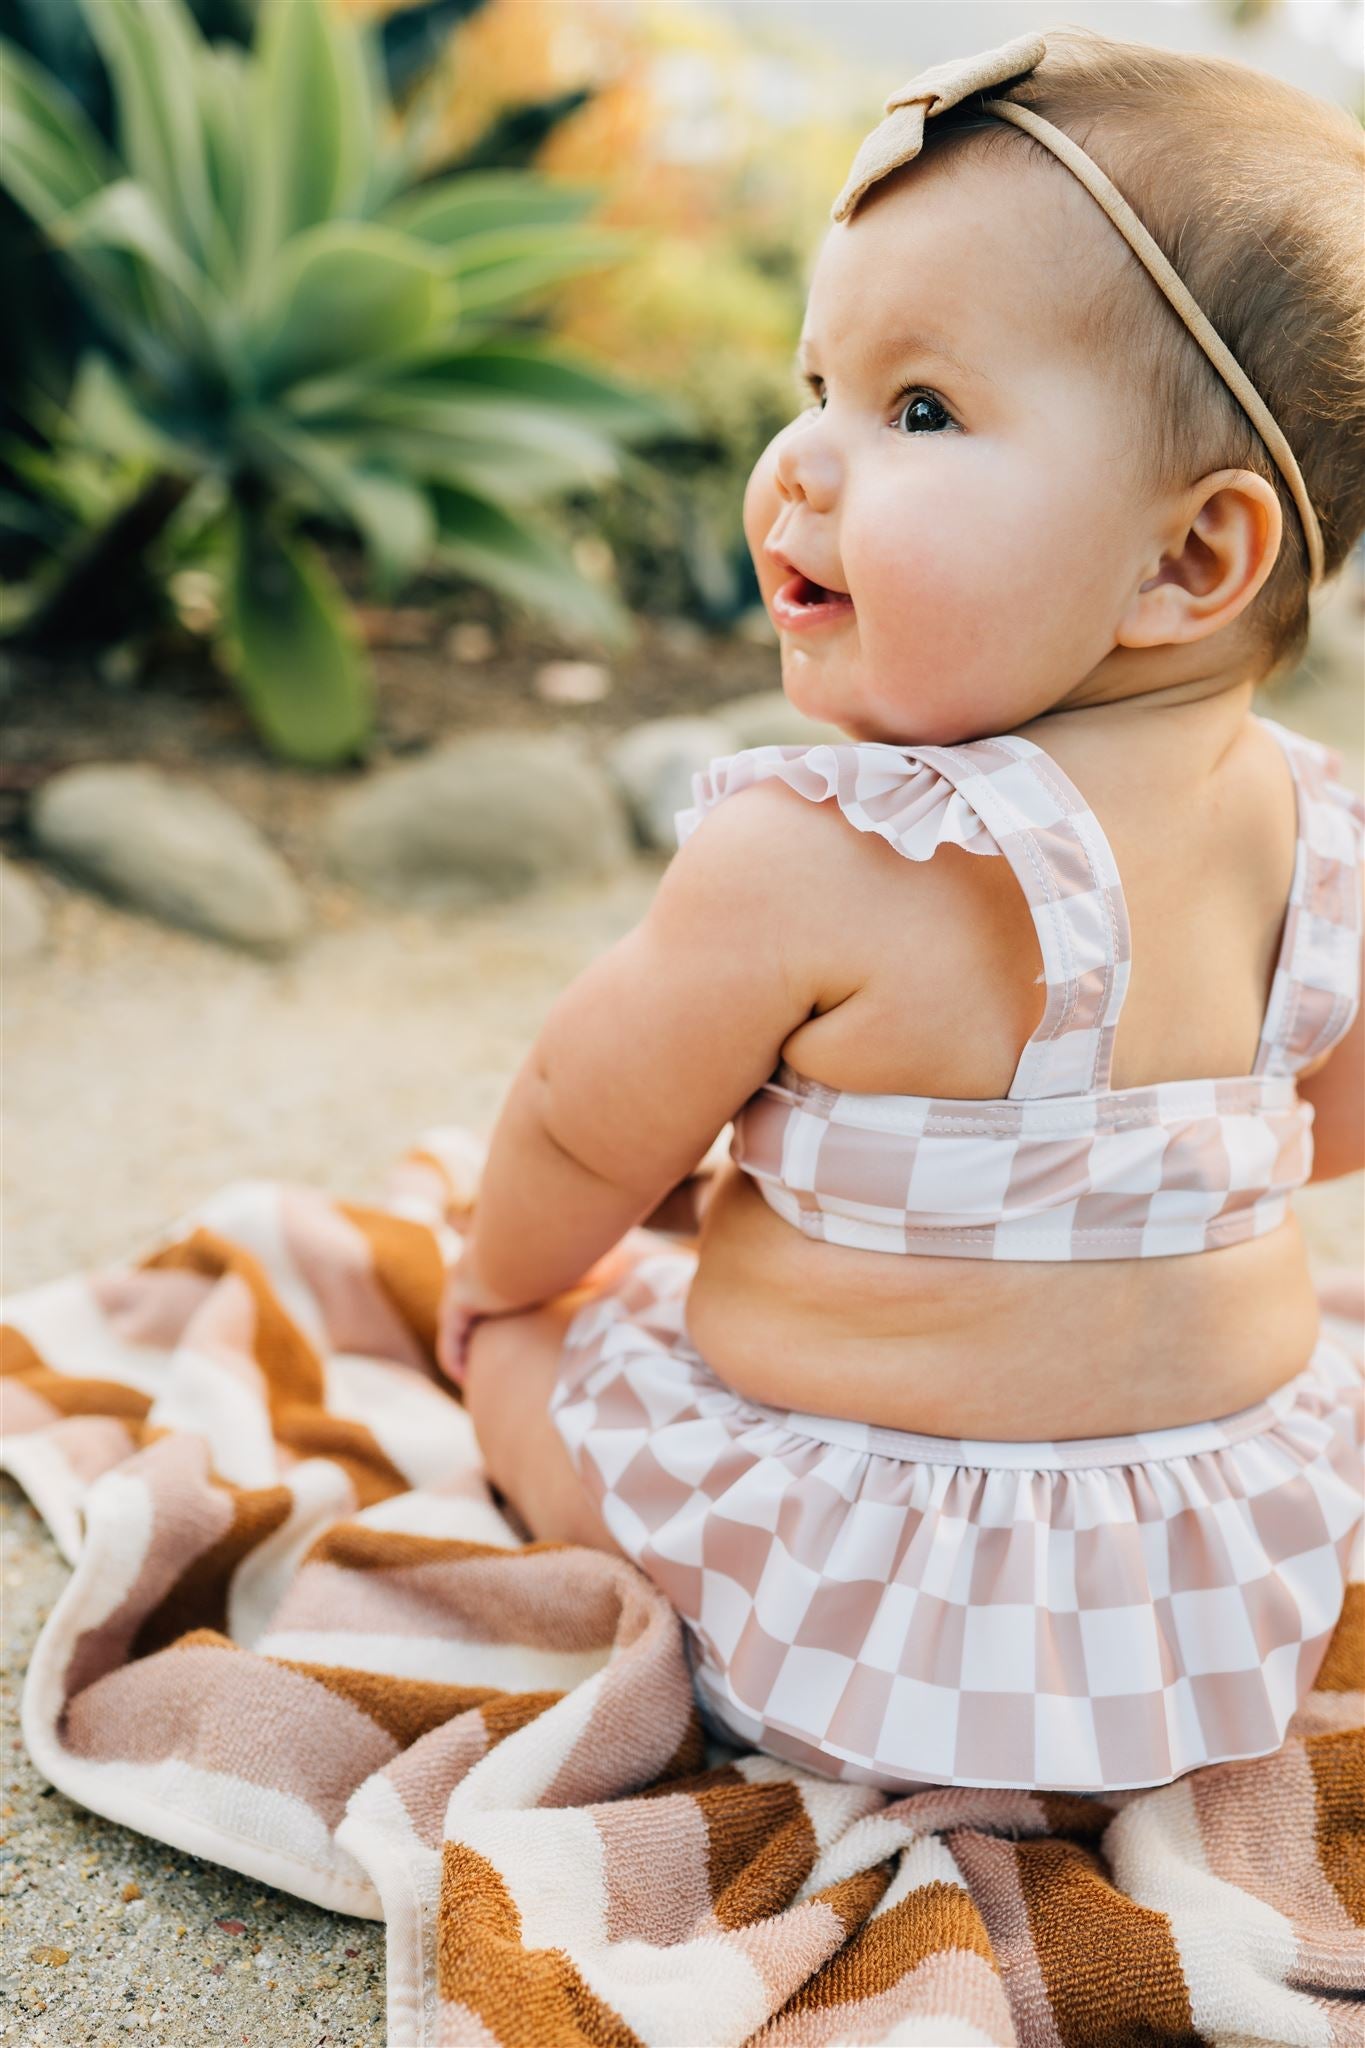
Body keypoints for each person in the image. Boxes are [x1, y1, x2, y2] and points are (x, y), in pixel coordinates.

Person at [436, 29, 1365, 1793]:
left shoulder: (822, 847)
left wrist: (502, 1287)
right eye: (818, 384)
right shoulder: (1317, 837)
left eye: (918, 410)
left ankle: (517, 1402)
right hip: (1210, 1592)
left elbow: (580, 1121)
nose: (802, 462)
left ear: (1188, 560)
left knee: (554, 1350)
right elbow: (1335, 1122)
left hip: (843, 1608)